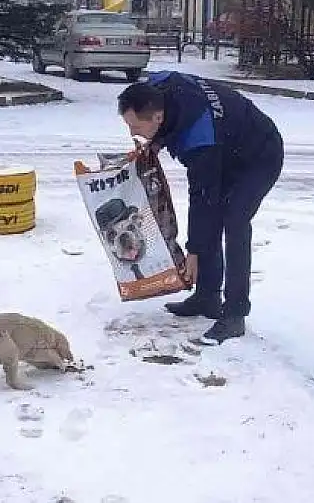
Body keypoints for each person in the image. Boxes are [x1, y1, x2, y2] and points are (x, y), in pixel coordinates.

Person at [116, 71, 284, 344]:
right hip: (225, 146)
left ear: (157, 117)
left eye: (135, 127)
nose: (132, 133)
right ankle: (207, 298)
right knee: (213, 218)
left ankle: (234, 314)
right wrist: (155, 143)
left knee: (233, 220)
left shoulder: (199, 137)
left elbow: (203, 198)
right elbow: (167, 95)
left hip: (259, 155)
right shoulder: (160, 85)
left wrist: (194, 251)